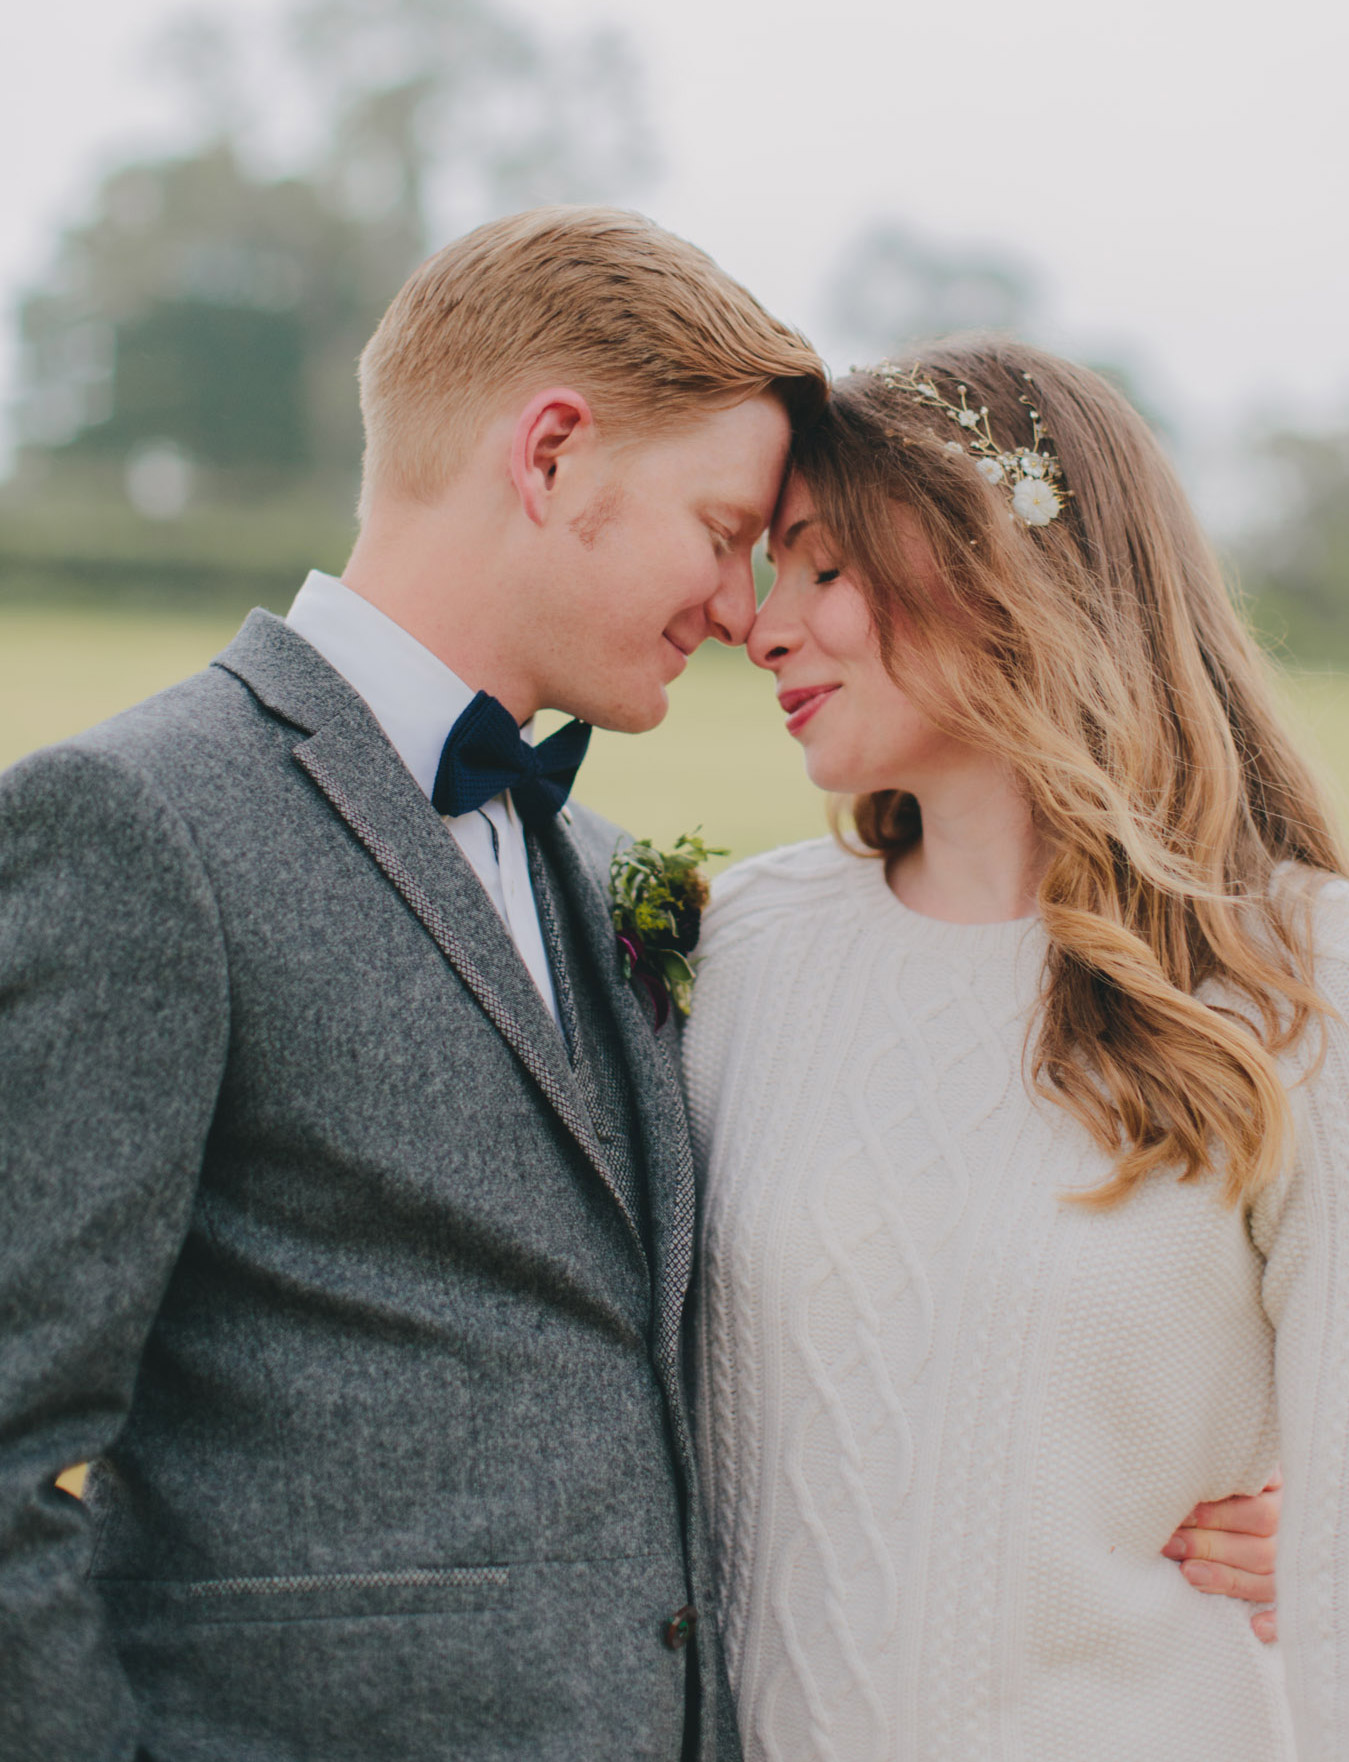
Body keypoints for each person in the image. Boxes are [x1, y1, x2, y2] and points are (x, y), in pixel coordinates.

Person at [0, 213, 1276, 1761]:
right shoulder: (140, 825)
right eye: (726, 526)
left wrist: (1247, 1477)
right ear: (549, 458)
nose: (747, 612)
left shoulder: (632, 888)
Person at [683, 337, 1349, 1759]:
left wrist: (1318, 1519)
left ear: (1002, 570)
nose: (761, 623)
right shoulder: (741, 953)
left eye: (824, 567)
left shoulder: (1312, 981)